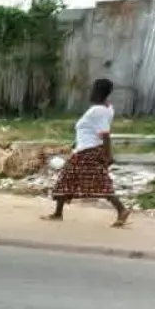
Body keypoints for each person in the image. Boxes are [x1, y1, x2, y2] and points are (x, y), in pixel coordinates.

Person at [46, 78, 129, 227]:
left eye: (93, 89)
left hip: (88, 153)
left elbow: (105, 135)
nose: (90, 92)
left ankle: (122, 210)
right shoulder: (108, 108)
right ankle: (58, 213)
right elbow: (92, 130)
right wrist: (78, 141)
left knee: (99, 182)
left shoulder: (97, 111)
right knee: (66, 179)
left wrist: (108, 156)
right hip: (84, 149)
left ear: (98, 92)